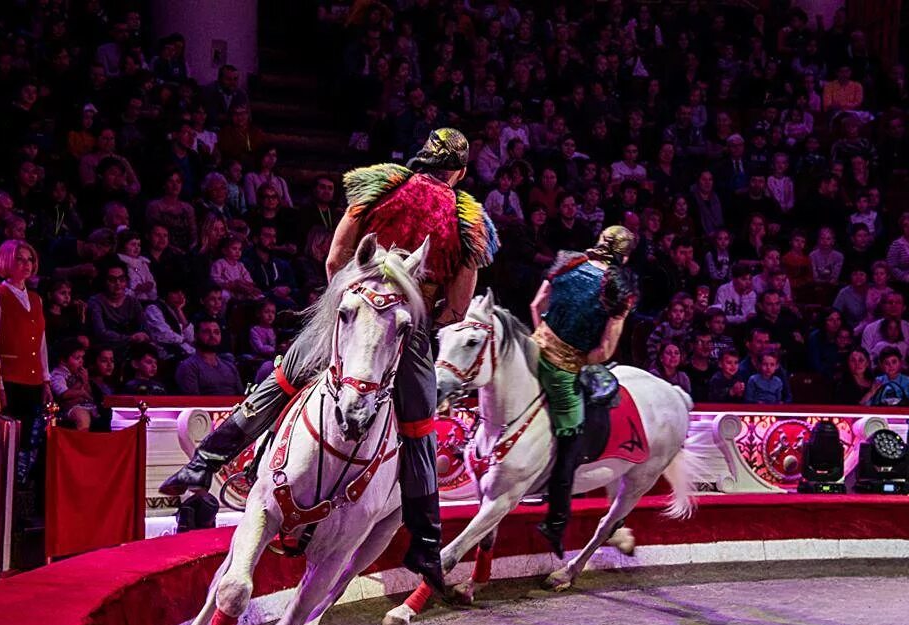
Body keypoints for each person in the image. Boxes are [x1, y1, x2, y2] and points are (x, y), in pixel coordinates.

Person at [159, 128, 498, 594]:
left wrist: (346, 305)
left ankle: (204, 461)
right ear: (459, 172)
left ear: (420, 157)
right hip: (407, 320)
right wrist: (417, 315)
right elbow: (459, 306)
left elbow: (336, 257)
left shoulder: (382, 183)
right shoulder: (468, 220)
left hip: (352, 305)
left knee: (281, 381)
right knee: (419, 430)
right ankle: (424, 543)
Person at [528, 225, 636, 557]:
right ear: (625, 255)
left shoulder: (567, 261)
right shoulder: (620, 287)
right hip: (564, 370)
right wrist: (575, 359)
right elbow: (605, 350)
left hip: (532, 349)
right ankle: (556, 521)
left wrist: (543, 339)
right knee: (571, 437)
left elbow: (536, 305)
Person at [0, 239, 52, 439]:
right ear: (7, 262)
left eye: (29, 260)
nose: (26, 264)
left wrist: (46, 380)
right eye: (20, 259)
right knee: (7, 437)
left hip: (32, 380)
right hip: (9, 379)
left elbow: (41, 342)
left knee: (27, 438)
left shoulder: (36, 299)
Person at [175, 319, 243, 395]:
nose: (212, 336)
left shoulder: (230, 367)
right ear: (195, 336)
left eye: (216, 332)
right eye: (206, 332)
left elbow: (241, 397)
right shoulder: (188, 366)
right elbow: (193, 401)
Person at [49, 338, 97, 430]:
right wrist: (81, 388)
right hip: (63, 410)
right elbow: (64, 394)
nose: (81, 361)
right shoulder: (57, 374)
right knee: (82, 416)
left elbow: (89, 394)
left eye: (82, 357)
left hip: (83, 405)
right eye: (77, 358)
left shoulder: (77, 373)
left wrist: (85, 381)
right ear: (63, 361)